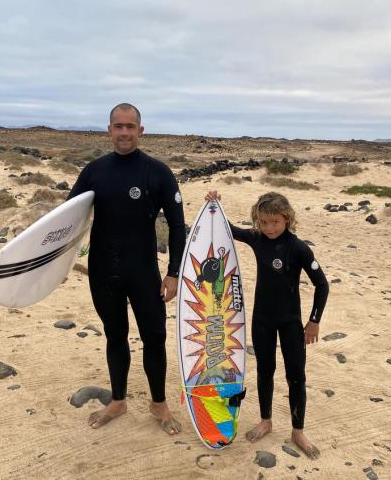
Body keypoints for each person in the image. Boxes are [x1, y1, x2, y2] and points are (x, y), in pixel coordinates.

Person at [68, 103, 185, 434]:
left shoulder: (157, 172)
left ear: (140, 130)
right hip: (103, 270)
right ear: (109, 130)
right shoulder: (94, 171)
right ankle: (118, 400)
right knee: (114, 335)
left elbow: (177, 226)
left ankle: (158, 404)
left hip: (143, 271)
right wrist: (56, 264)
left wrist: (173, 272)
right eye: (118, 126)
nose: (124, 132)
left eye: (130, 126)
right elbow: (67, 220)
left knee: (155, 336)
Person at [205, 190, 329, 458]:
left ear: (287, 219)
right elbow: (231, 230)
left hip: (291, 321)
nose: (269, 228)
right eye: (263, 222)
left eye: (275, 222)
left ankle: (298, 431)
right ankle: (266, 421)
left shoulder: (298, 247)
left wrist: (314, 321)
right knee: (264, 370)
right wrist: (214, 204)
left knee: (296, 375)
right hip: (262, 319)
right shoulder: (257, 239)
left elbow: (322, 284)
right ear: (258, 221)